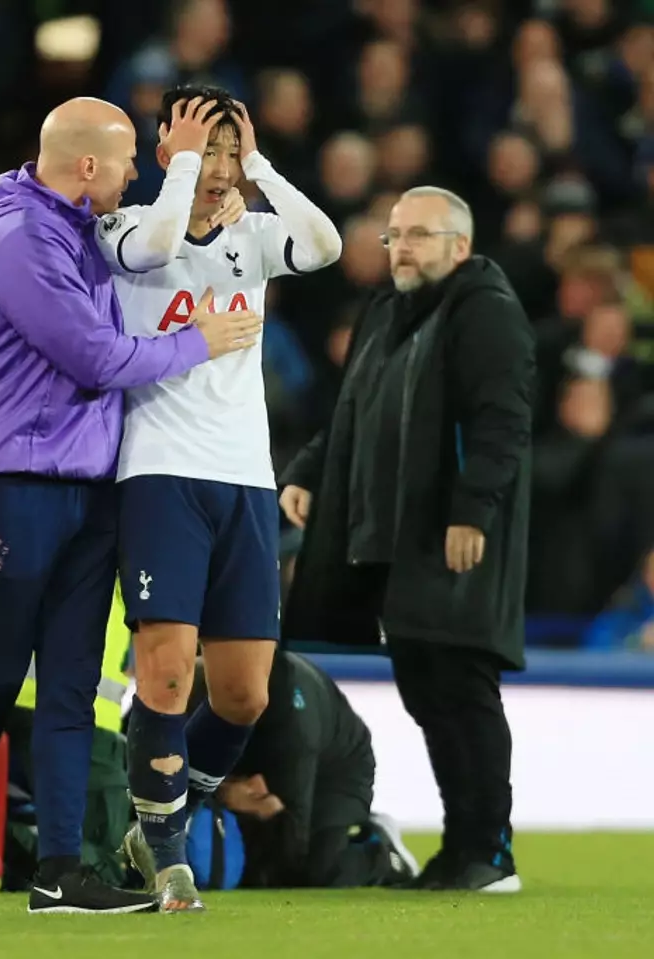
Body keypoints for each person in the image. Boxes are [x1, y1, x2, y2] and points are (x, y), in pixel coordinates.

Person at [0, 96, 259, 916]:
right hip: (18, 482)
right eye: (125, 161)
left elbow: (159, 245)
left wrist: (214, 194)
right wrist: (197, 344)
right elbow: (94, 354)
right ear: (84, 167)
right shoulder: (18, 240)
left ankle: (60, 870)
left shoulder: (77, 231)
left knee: (72, 686)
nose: (135, 172)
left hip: (90, 487)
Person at [96, 86, 342, 911]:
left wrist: (261, 166)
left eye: (231, 151)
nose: (220, 168)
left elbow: (328, 244)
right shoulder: (127, 227)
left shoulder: (256, 237)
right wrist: (188, 165)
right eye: (205, 147)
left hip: (246, 478)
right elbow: (164, 237)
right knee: (165, 677)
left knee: (243, 694)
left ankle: (160, 816)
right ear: (164, 148)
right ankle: (167, 854)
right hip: (161, 471)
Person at [279, 186, 535, 894]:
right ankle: (463, 850)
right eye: (394, 234)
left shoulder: (485, 311)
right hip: (395, 537)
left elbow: (502, 421)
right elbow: (351, 409)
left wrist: (472, 512)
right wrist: (309, 470)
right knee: (427, 683)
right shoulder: (388, 311)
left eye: (420, 235)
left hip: (451, 533)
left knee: (461, 683)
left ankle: (490, 850)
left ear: (461, 246)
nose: (402, 247)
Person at [183, 650, 419, 890]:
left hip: (337, 769)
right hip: (259, 750)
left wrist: (258, 806)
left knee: (316, 870)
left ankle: (382, 854)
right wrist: (223, 793)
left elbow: (292, 840)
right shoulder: (196, 699)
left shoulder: (292, 730)